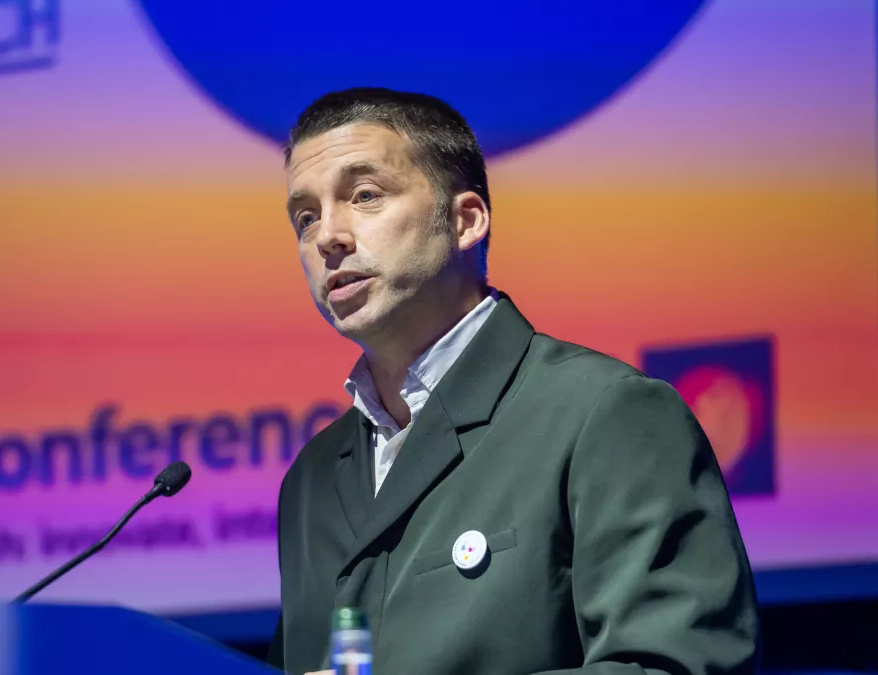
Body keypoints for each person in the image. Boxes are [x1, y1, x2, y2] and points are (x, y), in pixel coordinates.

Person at [268, 87, 758, 675]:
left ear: (466, 220)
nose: (327, 236)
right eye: (306, 216)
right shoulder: (312, 478)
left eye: (365, 195)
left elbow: (677, 665)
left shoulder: (604, 413)